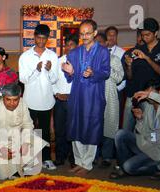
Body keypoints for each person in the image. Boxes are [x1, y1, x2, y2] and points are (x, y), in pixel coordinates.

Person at [61, 19, 110, 175]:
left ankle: (87, 164)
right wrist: (69, 72)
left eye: (88, 33)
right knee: (75, 127)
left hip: (94, 96)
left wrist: (93, 73)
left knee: (92, 127)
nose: (84, 36)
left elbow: (106, 72)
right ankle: (79, 161)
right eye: (81, 33)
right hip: (77, 96)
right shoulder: (74, 52)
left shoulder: (103, 52)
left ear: (95, 33)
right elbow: (70, 77)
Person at [109, 79, 160, 180]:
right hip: (146, 146)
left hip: (159, 153)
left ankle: (159, 168)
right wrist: (140, 119)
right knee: (120, 134)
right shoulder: (148, 106)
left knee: (129, 167)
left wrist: (149, 95)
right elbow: (143, 133)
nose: (147, 96)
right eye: (147, 92)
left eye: (150, 92)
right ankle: (122, 168)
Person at [19, 24, 59, 171]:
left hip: (47, 101)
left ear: (48, 39)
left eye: (44, 38)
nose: (41, 41)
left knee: (45, 131)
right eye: (39, 37)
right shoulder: (25, 56)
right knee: (29, 131)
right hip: (30, 100)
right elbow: (23, 79)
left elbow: (54, 80)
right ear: (34, 37)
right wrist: (36, 70)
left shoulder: (53, 56)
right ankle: (29, 160)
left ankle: (46, 158)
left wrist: (48, 71)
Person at [122, 18, 160, 131]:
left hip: (152, 97)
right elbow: (129, 77)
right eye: (142, 35)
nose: (144, 37)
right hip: (134, 95)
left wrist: (146, 58)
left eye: (148, 35)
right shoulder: (137, 50)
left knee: (149, 130)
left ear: (156, 33)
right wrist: (129, 65)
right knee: (126, 130)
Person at [0, 83, 47, 180]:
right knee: (3, 176)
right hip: (2, 144)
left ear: (20, 97)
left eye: (15, 100)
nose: (12, 103)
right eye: (8, 100)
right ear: (3, 98)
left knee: (33, 139)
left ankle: (22, 164)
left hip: (19, 139)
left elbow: (28, 124)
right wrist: (0, 149)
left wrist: (26, 142)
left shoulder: (23, 104)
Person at [95, 32, 124, 168]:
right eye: (96, 42)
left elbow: (119, 78)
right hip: (93, 97)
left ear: (106, 43)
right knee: (94, 127)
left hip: (110, 96)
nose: (98, 45)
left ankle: (106, 157)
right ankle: (93, 156)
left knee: (109, 126)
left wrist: (106, 68)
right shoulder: (90, 59)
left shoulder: (114, 59)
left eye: (101, 42)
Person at [52, 34, 78, 167]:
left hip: (74, 101)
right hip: (60, 100)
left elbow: (81, 83)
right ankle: (60, 157)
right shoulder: (59, 61)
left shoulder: (81, 61)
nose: (68, 48)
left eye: (71, 45)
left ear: (77, 46)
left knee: (73, 130)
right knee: (59, 129)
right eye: (66, 45)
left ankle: (74, 158)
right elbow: (53, 80)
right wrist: (57, 93)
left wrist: (70, 95)